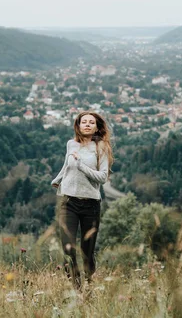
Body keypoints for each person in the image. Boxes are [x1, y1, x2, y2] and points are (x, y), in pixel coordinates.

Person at [51, 111, 113, 289]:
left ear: (96, 127)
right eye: (83, 122)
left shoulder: (101, 147)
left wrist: (81, 166)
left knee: (87, 251)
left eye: (91, 122)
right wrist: (58, 179)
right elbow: (67, 165)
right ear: (78, 126)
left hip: (90, 204)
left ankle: (89, 283)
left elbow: (102, 178)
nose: (87, 124)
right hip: (68, 201)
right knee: (68, 249)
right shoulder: (71, 144)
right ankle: (76, 288)